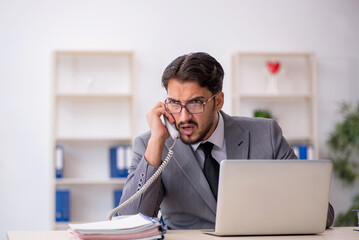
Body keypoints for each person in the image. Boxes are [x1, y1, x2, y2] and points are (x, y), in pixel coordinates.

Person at [118, 52, 334, 229]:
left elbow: (321, 215)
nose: (183, 117)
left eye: (195, 103)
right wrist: (157, 143)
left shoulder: (266, 133)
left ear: (218, 100)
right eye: (174, 103)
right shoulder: (152, 144)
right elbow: (128, 223)